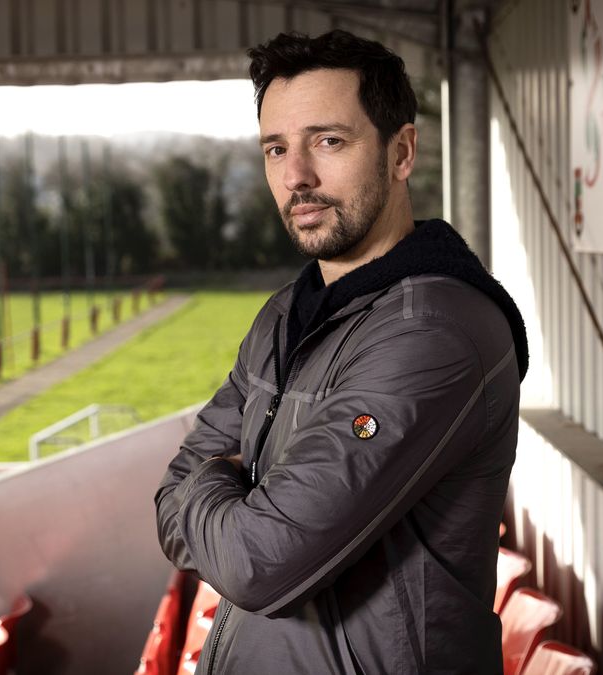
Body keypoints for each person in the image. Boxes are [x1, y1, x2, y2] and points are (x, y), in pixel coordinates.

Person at [154, 29, 528, 674]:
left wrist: (213, 483)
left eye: (329, 141)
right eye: (277, 148)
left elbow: (255, 563)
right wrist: (227, 499)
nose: (297, 176)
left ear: (402, 152)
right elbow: (167, 502)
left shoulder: (435, 332)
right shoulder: (285, 315)